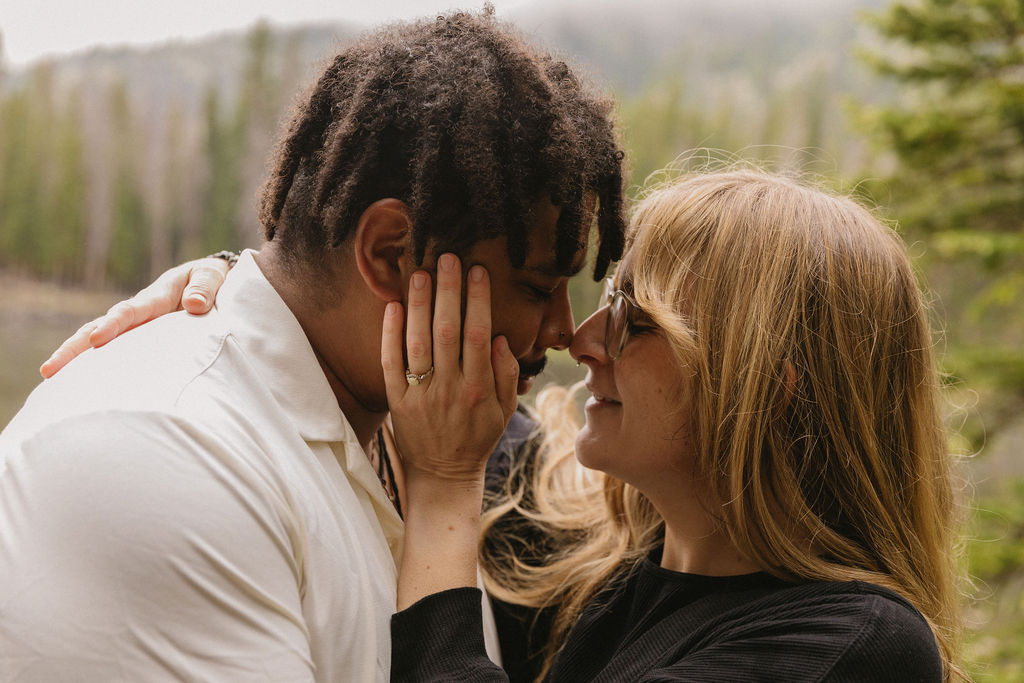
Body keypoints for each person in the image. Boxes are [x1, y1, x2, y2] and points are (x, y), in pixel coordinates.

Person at [0, 9, 626, 681]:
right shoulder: (166, 457)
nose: (565, 330)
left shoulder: (437, 436)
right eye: (536, 287)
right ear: (389, 254)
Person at [383, 169, 965, 681]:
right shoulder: (617, 575)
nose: (581, 342)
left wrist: (443, 481)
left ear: (761, 392)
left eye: (633, 320)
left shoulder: (851, 645)